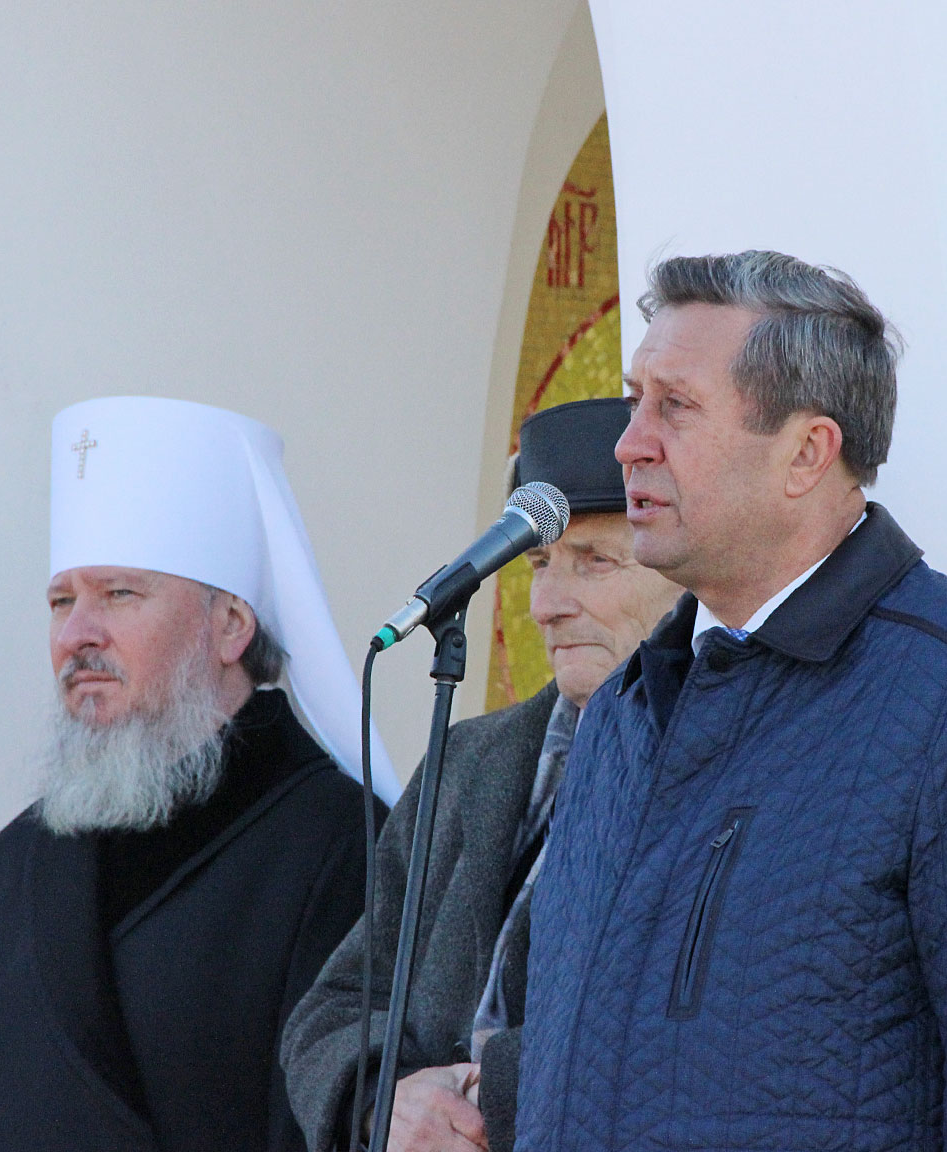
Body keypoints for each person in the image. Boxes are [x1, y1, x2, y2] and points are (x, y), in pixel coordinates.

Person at [516, 252, 947, 1152]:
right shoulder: (624, 708)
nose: (629, 444)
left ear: (807, 453)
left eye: (675, 406)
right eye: (634, 400)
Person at [0, 396, 399, 1152]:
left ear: (230, 625)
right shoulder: (1, 876)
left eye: (119, 594)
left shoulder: (345, 850)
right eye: (61, 601)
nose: (76, 635)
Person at [281, 398, 681, 1152]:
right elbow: (334, 1008)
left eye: (595, 561)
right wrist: (385, 1102)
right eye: (539, 565)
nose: (545, 606)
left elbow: (693, 1031)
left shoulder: (725, 761)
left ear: (687, 576)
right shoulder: (471, 761)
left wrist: (482, 1093)